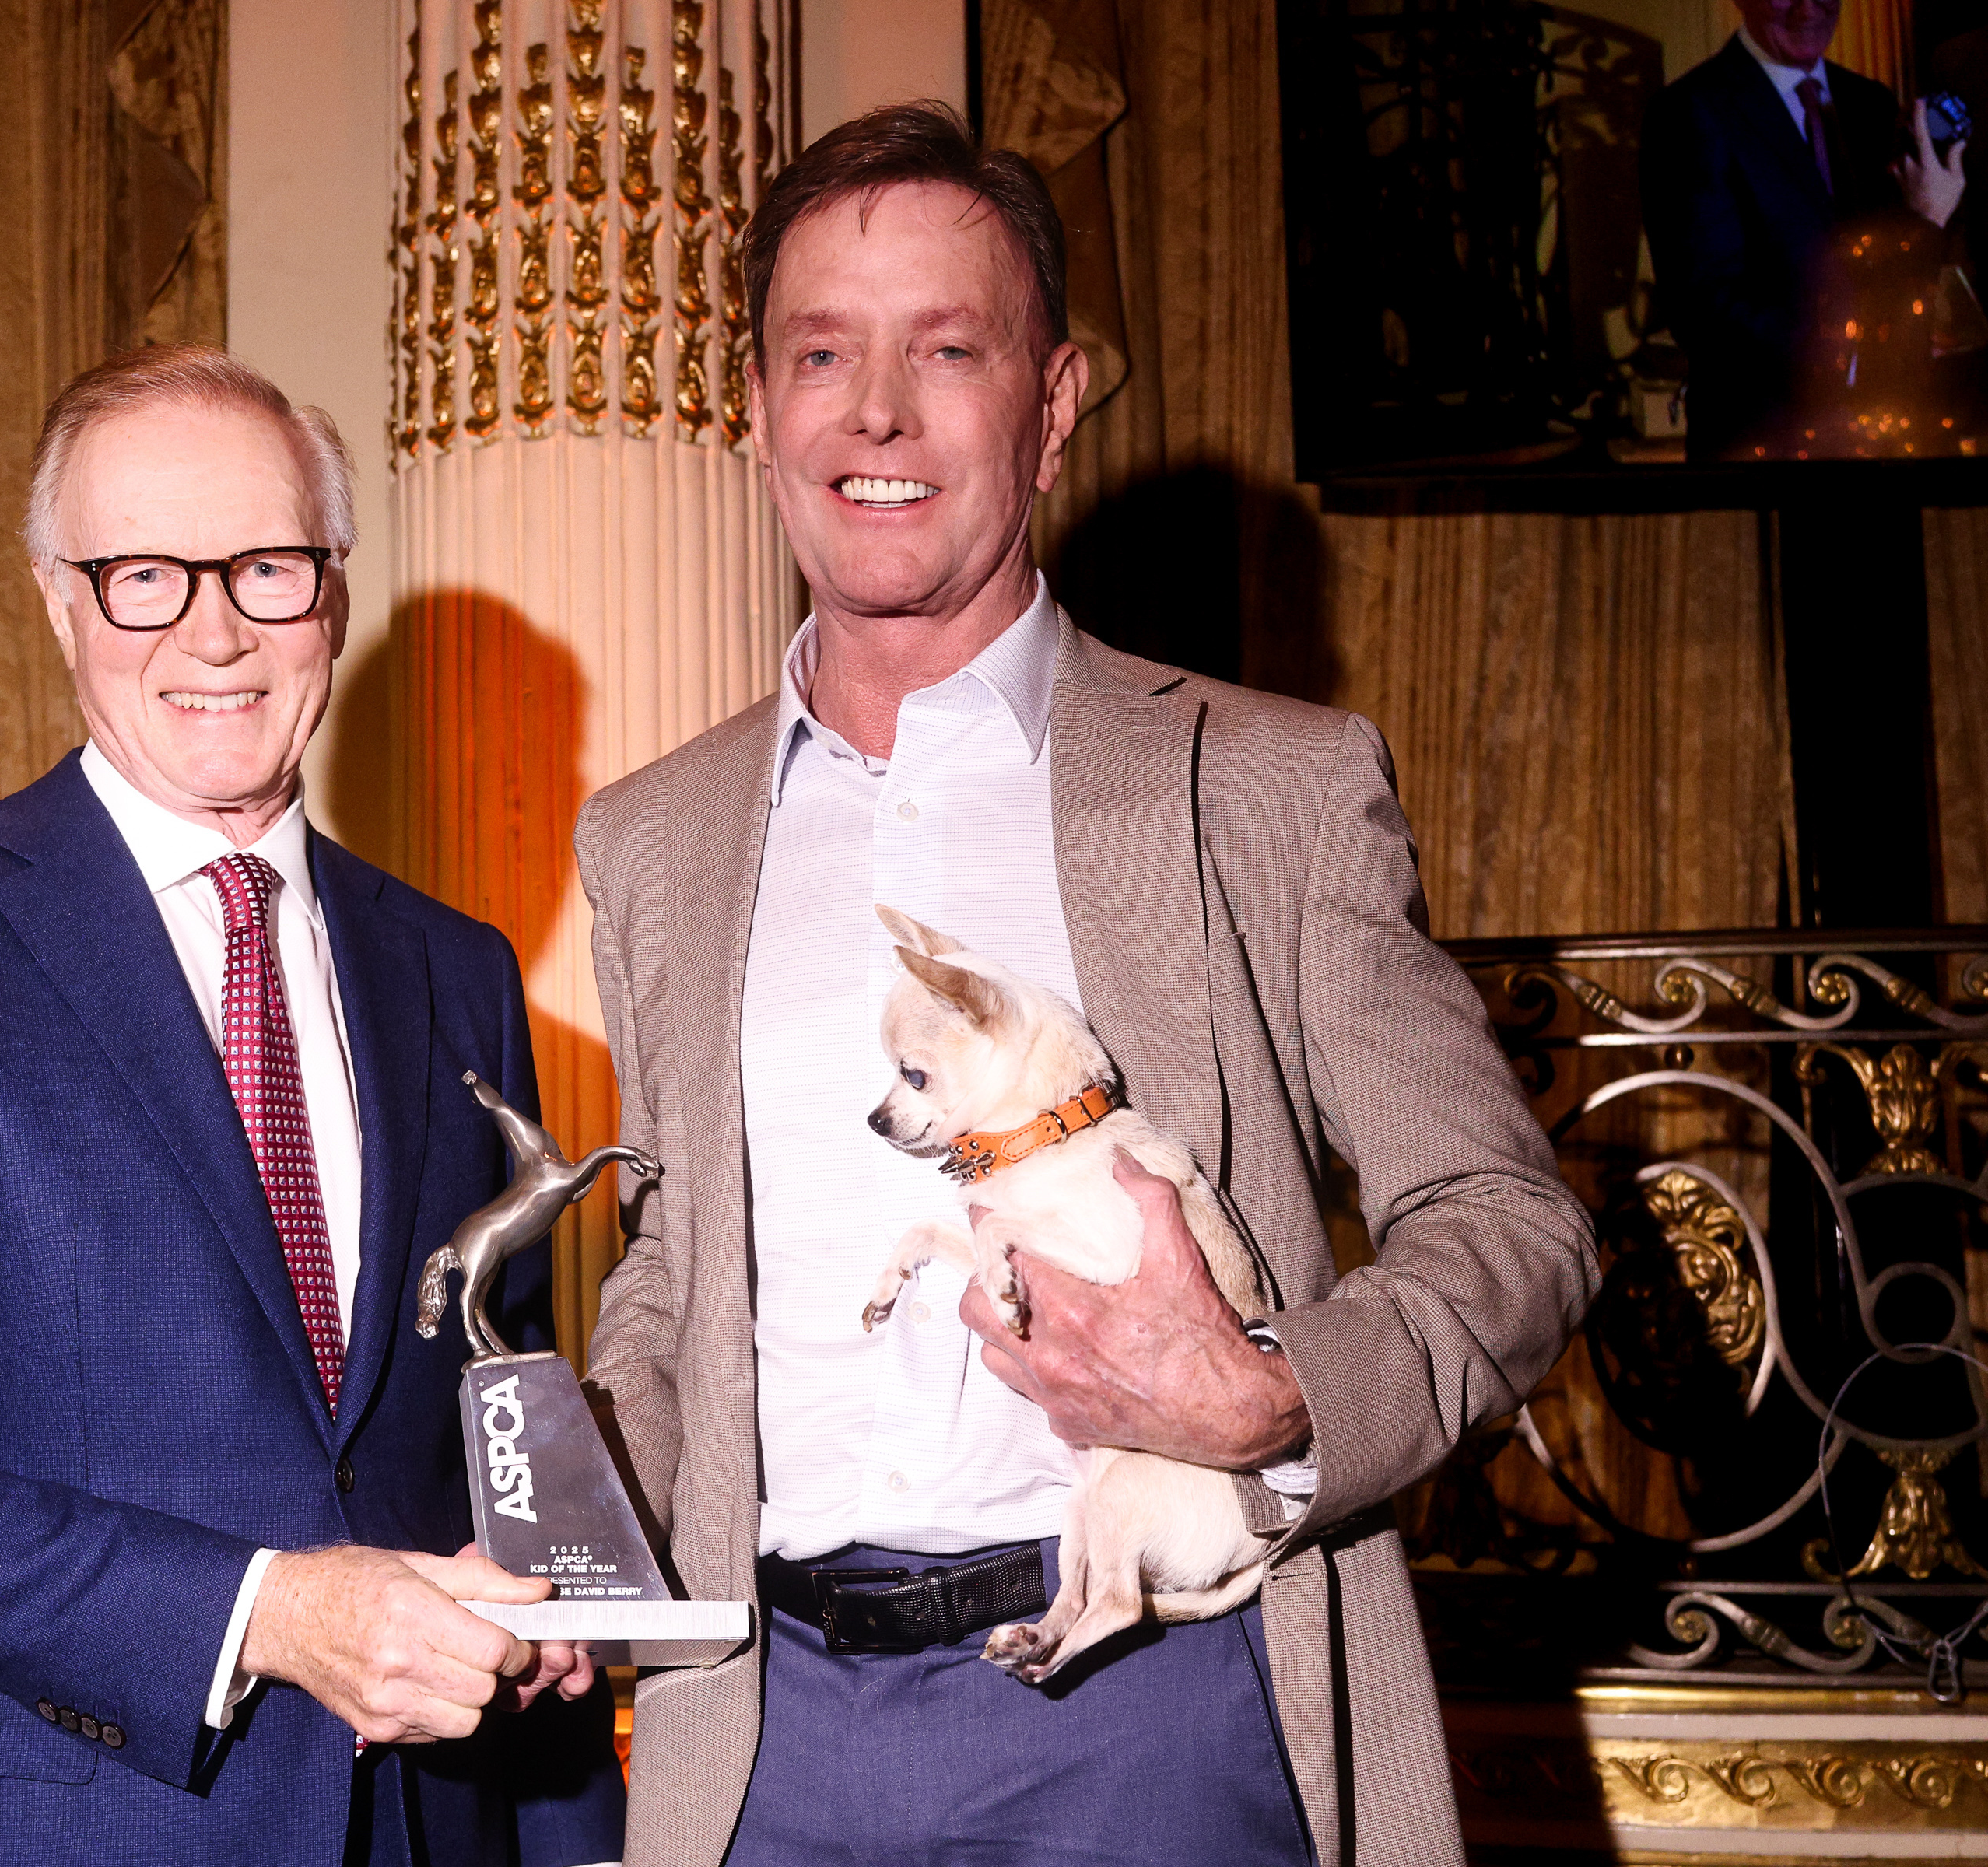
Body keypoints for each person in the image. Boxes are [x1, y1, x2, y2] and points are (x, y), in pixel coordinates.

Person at [573, 104, 1597, 1866]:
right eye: (822, 351)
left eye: (946, 350)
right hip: (764, 1738)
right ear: (755, 407)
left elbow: (1506, 1218)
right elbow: (675, 1270)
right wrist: (588, 1525)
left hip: (1156, 1706)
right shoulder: (652, 835)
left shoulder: (1263, 781)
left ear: (1050, 404)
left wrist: (1276, 1395)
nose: (875, 411)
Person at [0, 345, 622, 1866]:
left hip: (426, 1823)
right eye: (144, 573)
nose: (213, 629)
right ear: (59, 600)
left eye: (266, 567)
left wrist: (545, 1598)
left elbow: (484, 1397)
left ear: (331, 592)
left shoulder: (455, 970)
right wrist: (264, 1611)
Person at [1642, 0, 1968, 457]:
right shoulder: (1688, 111)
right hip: (1765, 450)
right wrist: (1854, 354)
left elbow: (1898, 276)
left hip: (1889, 440)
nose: (1807, 7)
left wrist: (1928, 220)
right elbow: (1704, 308)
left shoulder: (1871, 103)